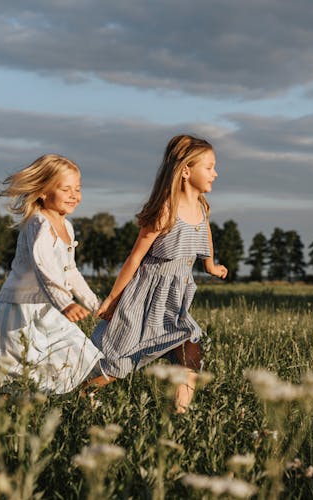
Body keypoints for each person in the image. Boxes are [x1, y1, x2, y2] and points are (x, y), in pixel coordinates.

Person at [89, 134, 227, 413]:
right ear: (186, 171)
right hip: (145, 298)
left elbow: (205, 232)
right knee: (120, 361)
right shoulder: (165, 211)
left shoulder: (201, 206)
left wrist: (209, 265)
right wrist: (113, 299)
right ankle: (82, 394)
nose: (215, 172)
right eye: (209, 166)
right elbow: (135, 258)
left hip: (174, 302)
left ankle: (179, 416)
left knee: (190, 354)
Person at [0, 154, 104, 394]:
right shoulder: (37, 223)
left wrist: (95, 305)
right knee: (15, 377)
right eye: (66, 189)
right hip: (19, 310)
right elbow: (43, 267)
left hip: (50, 308)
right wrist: (66, 303)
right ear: (43, 191)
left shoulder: (67, 227)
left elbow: (70, 272)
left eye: (78, 189)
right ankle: (0, 420)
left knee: (81, 355)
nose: (74, 195)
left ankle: (70, 404)